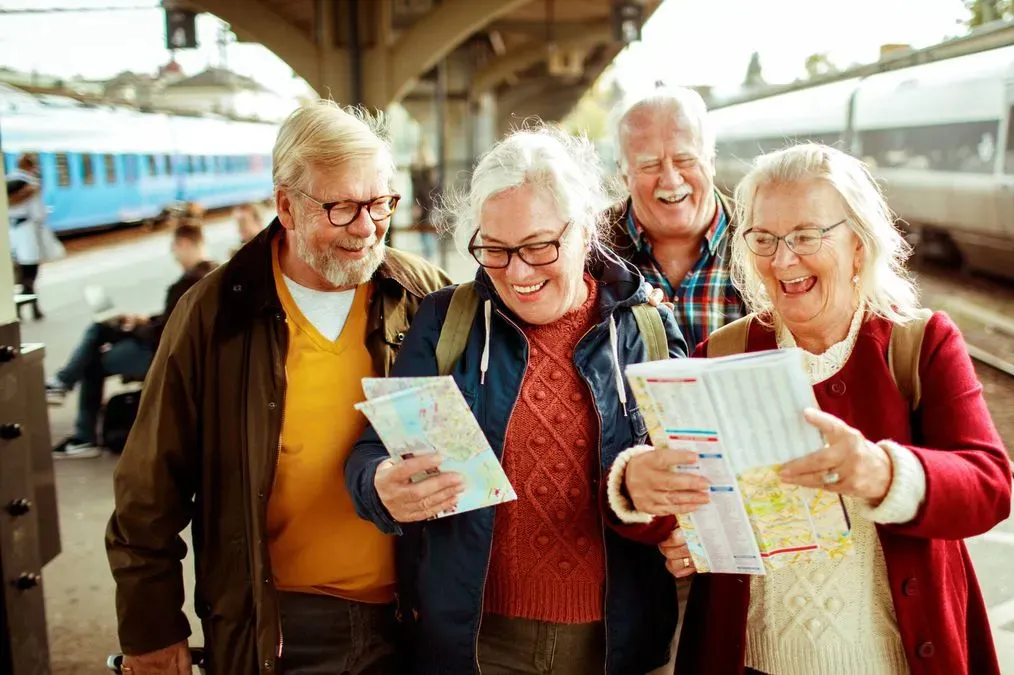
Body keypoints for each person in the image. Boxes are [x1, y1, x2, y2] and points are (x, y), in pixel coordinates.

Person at [612, 143, 1012, 674]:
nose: (782, 259)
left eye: (806, 235)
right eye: (765, 238)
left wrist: (881, 472)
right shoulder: (724, 353)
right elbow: (674, 508)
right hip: (752, 661)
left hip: (890, 661)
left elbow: (988, 486)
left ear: (859, 246)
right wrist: (639, 493)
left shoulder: (921, 345)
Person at [104, 100, 451, 675]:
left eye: (379, 202)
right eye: (341, 208)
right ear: (286, 205)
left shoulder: (426, 296)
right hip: (284, 627)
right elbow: (148, 493)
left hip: (422, 616)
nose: (367, 228)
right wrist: (151, 630)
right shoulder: (213, 314)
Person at [345, 125, 689, 675]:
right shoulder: (445, 323)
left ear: (584, 230)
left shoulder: (645, 332)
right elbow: (369, 455)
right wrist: (379, 485)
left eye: (538, 247)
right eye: (496, 251)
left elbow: (688, 485)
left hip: (614, 645)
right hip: (476, 643)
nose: (517, 273)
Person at [45, 223, 215, 458]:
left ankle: (81, 429)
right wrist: (143, 320)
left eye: (174, 248)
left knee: (94, 361)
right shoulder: (211, 272)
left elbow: (168, 332)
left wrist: (133, 328)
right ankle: (62, 386)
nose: (174, 255)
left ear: (184, 244)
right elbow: (175, 320)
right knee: (101, 331)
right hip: (171, 348)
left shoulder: (189, 281)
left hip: (161, 354)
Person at [607, 86, 746, 351]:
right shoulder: (590, 252)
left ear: (711, 160)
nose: (670, 180)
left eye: (685, 160)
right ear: (624, 176)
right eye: (649, 165)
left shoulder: (763, 239)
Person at [8, 153, 50, 321]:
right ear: (31, 165)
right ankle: (29, 307)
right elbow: (38, 213)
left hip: (10, 231)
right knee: (30, 272)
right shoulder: (32, 185)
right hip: (26, 231)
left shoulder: (8, 180)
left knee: (18, 273)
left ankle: (23, 308)